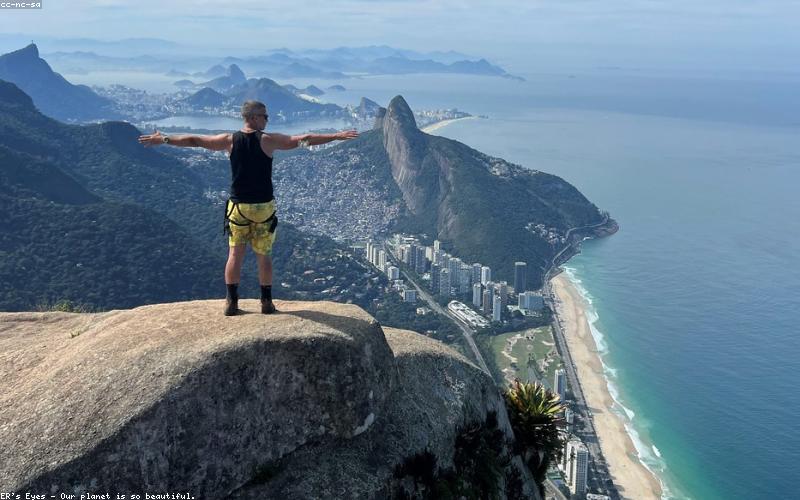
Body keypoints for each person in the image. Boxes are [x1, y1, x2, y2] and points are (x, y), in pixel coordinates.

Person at [138, 100, 358, 315]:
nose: (267, 120)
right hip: (263, 208)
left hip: (238, 208)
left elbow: (195, 140)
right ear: (253, 117)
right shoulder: (268, 141)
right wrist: (335, 136)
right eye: (265, 116)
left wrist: (164, 139)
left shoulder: (229, 140)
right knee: (264, 255)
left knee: (235, 254)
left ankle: (231, 302)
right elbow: (302, 140)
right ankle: (266, 302)